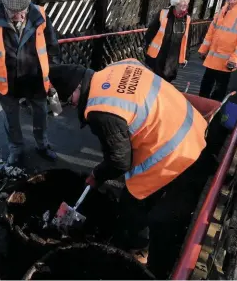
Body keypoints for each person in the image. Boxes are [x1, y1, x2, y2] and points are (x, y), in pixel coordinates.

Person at [48, 58, 208, 264]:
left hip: (174, 151)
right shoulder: (119, 66)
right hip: (192, 125)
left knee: (132, 203)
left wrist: (97, 175)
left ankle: (139, 250)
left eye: (70, 100)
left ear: (78, 86)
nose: (73, 105)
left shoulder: (100, 109)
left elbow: (119, 162)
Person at [0, 0, 61, 165]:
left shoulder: (39, 14)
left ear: (28, 5)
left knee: (40, 113)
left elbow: (52, 46)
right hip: (7, 80)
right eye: (14, 13)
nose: (19, 17)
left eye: (22, 12)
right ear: (4, 5)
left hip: (35, 78)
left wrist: (54, 75)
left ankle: (42, 144)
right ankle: (16, 149)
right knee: (11, 118)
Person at [144, 0, 191, 82]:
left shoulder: (187, 18)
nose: (185, 4)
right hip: (160, 53)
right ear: (176, 2)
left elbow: (187, 39)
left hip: (174, 55)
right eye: (183, 1)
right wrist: (145, 43)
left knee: (167, 79)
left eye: (187, 1)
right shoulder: (164, 13)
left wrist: (186, 56)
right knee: (154, 78)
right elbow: (152, 30)